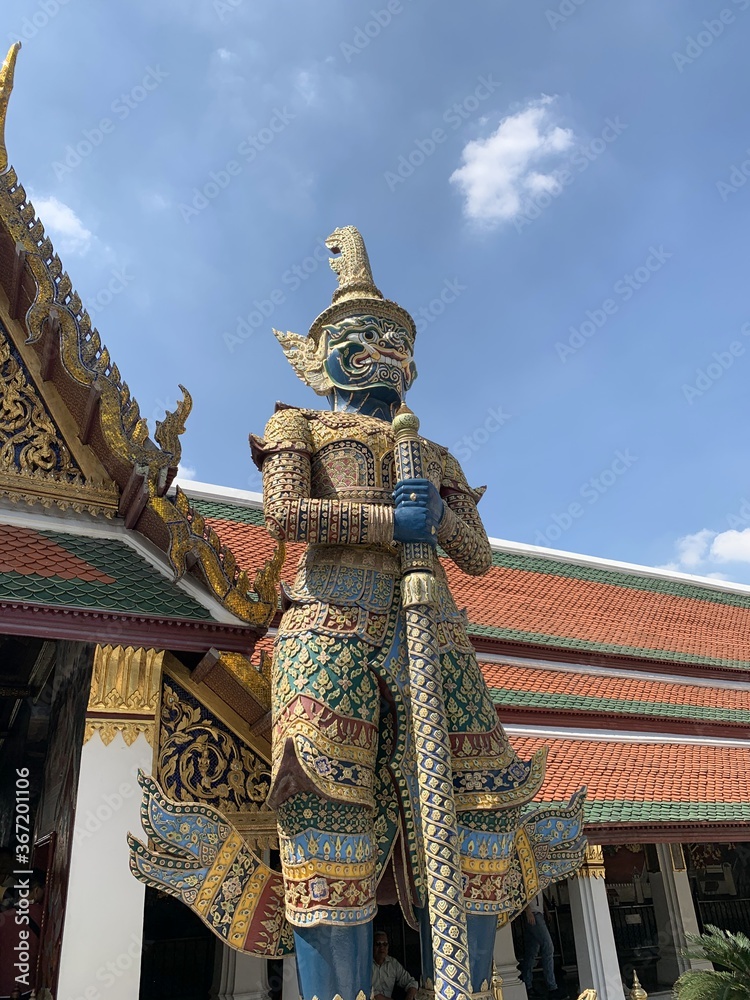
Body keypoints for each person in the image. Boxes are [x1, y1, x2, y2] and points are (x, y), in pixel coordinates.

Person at [249, 226, 587, 1000]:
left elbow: (479, 556)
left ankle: (462, 986)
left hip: (433, 629)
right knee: (327, 810)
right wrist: (384, 525)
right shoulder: (297, 425)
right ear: (318, 353)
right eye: (362, 336)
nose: (384, 350)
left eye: (396, 338)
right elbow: (284, 515)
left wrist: (434, 515)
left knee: (478, 805)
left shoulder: (434, 455)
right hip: (330, 621)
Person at [521, 892, 565, 999]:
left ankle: (527, 984)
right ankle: (552, 987)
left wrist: (545, 910)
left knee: (532, 951)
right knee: (548, 947)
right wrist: (527, 910)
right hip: (533, 913)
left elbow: (539, 895)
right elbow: (521, 893)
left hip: (538, 913)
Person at [372, 931, 417, 1000]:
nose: (382, 947)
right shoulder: (366, 965)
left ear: (388, 947)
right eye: (378, 944)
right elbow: (372, 993)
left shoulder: (393, 963)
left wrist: (409, 996)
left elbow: (411, 982)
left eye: (385, 944)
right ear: (372, 946)